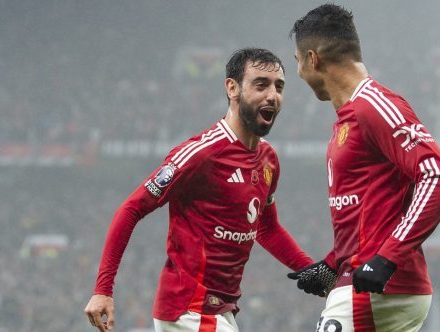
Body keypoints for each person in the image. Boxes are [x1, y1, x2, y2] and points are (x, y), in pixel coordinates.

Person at [84, 48, 315, 332]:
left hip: (222, 311)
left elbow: (267, 228)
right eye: (260, 84)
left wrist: (312, 270)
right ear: (232, 88)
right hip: (189, 309)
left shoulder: (268, 159)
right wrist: (103, 288)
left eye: (279, 87)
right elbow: (131, 208)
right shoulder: (201, 154)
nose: (272, 95)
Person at [287, 4, 440, 332]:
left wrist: (387, 258)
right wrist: (331, 264)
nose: (298, 73)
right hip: (363, 280)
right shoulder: (349, 117)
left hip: (376, 288)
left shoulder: (374, 106)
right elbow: (371, 212)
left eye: (297, 62)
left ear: (313, 59)